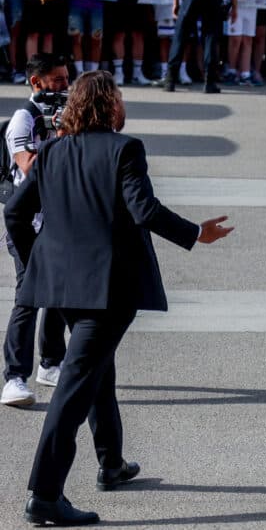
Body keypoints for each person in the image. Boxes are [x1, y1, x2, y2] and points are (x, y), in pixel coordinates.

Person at [5, 70, 233, 526]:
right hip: (107, 290)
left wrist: (37, 265)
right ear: (109, 105)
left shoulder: (51, 150)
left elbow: (15, 211)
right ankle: (43, 493)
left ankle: (111, 463)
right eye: (121, 98)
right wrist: (196, 234)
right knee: (75, 386)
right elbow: (143, 209)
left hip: (64, 288)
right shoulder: (124, 149)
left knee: (96, 370)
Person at [1, 54, 70, 408]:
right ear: (36, 82)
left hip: (56, 218)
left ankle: (51, 363)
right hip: (26, 222)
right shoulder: (23, 119)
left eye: (66, 79)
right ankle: (14, 377)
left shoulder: (63, 117)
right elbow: (27, 167)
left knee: (59, 290)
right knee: (28, 293)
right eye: (56, 80)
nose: (64, 86)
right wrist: (58, 138)